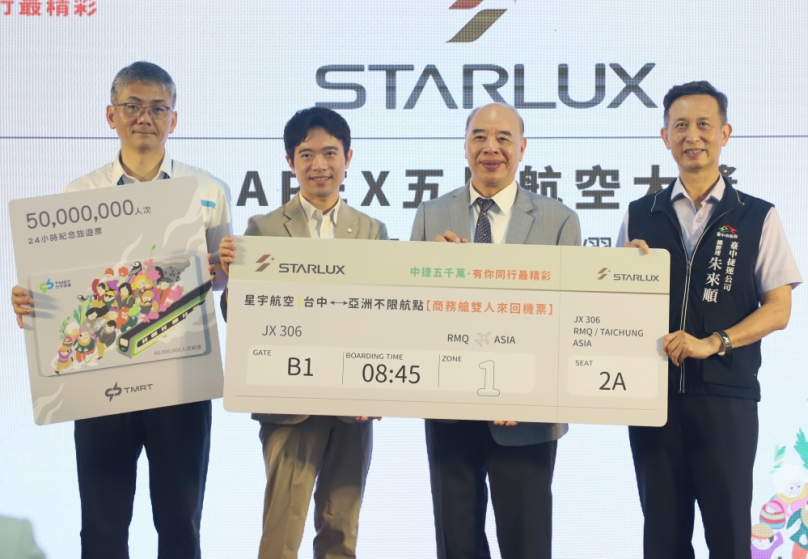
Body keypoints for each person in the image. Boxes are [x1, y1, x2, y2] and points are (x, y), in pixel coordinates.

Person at [10, 61, 232, 559]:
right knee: (102, 526)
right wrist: (31, 301)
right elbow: (59, 286)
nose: (144, 118)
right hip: (100, 381)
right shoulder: (77, 196)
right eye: (132, 106)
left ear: (174, 119)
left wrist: (225, 271)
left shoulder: (208, 190)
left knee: (180, 523)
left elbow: (221, 279)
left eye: (158, 108)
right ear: (111, 115)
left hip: (180, 377)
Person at [620, 81, 801, 559]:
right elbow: (613, 305)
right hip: (653, 402)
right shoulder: (640, 214)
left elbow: (779, 309)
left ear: (725, 133)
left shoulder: (757, 215)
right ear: (665, 137)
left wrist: (714, 341)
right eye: (680, 126)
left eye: (704, 124)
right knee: (662, 538)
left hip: (727, 401)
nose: (692, 136)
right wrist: (621, 271)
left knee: (728, 537)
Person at [410, 102, 580, 559]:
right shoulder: (430, 215)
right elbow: (412, 312)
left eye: (503, 138)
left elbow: (568, 320)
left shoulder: (559, 220)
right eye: (479, 137)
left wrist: (527, 392)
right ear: (464, 146)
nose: (491, 148)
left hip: (527, 416)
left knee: (526, 544)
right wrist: (433, 274)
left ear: (522, 148)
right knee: (456, 544)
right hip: (449, 408)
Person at [218, 107, 387, 559]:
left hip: (352, 406)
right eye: (306, 154)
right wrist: (234, 279)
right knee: (282, 530)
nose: (319, 165)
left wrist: (379, 388)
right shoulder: (263, 229)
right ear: (290, 162)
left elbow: (384, 319)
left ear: (348, 158)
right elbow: (240, 318)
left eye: (330, 153)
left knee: (341, 532)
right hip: (288, 404)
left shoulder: (371, 231)